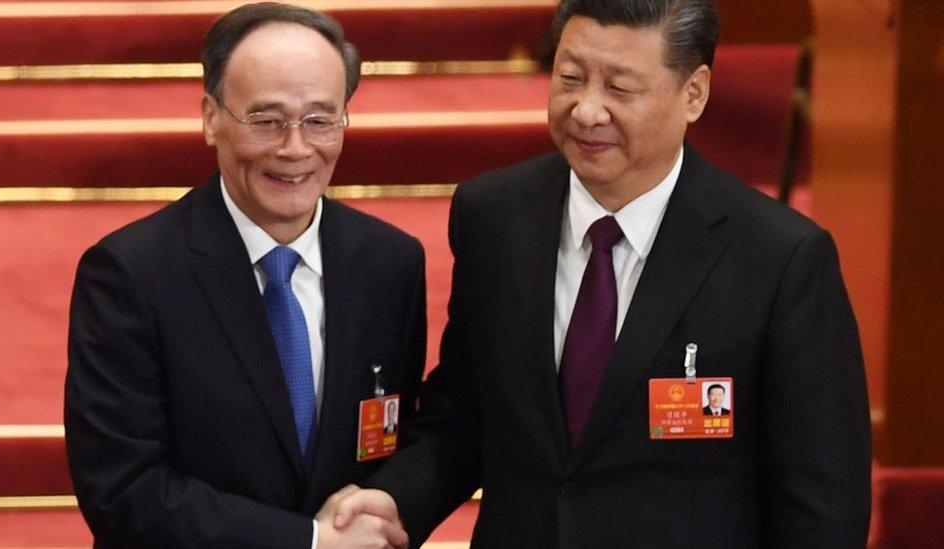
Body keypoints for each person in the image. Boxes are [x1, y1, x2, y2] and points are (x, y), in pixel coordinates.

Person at [325, 1, 872, 547]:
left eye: (619, 88)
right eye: (570, 78)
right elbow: (467, 414)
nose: (586, 111)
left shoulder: (779, 258)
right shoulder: (494, 216)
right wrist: (394, 501)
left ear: (694, 94)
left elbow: (821, 504)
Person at [64, 3, 423, 547]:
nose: (296, 148)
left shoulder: (391, 262)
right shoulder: (130, 274)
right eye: (267, 120)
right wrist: (307, 541)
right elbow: (122, 489)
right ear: (211, 117)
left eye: (321, 120)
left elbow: (390, 436)